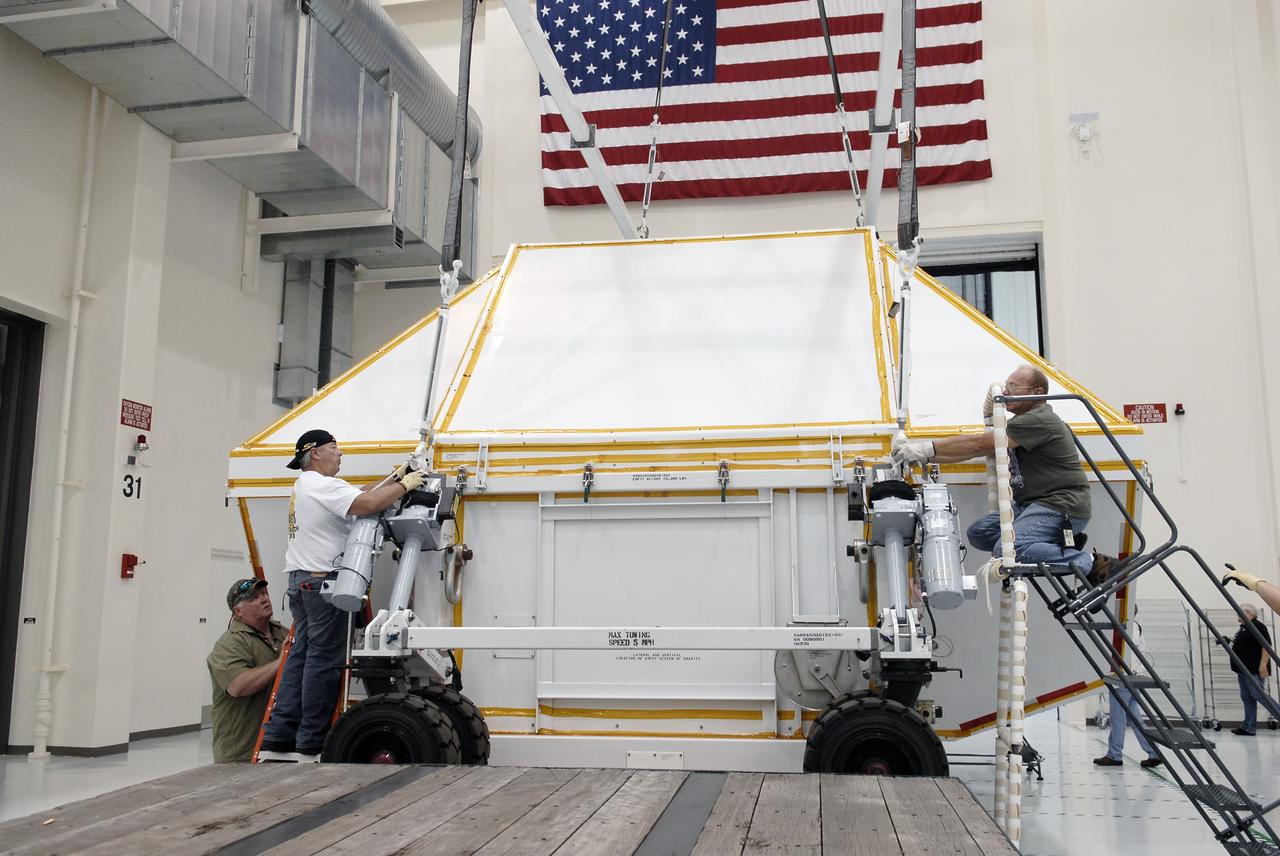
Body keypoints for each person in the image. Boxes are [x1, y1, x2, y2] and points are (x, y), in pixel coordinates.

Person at [260, 429, 425, 756]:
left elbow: (359, 494)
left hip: (300, 580)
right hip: (322, 582)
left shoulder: (306, 485)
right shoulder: (321, 485)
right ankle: (311, 739)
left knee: (301, 656)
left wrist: (396, 476)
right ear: (316, 453)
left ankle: (279, 734)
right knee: (323, 659)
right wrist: (407, 486)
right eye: (334, 448)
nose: (340, 454)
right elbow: (366, 503)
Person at [892, 364, 1095, 576]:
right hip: (1034, 505)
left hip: (1061, 506)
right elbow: (976, 450)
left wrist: (925, 448)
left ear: (1037, 393)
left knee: (1008, 550)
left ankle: (1086, 561)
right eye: (1007, 385)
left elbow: (978, 445)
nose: (1006, 392)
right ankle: (1050, 546)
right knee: (980, 533)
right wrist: (923, 456)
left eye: (1014, 386)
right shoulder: (1023, 422)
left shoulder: (1038, 419)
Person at [207, 578, 288, 763]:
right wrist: (281, 662)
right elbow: (237, 686)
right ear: (238, 612)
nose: (264, 599)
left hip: (277, 748)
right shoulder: (229, 644)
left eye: (263, 594)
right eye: (253, 598)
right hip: (241, 755)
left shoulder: (281, 633)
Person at [1093, 612, 1162, 769]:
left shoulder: (1128, 627)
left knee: (1118, 717)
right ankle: (1154, 752)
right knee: (1135, 719)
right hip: (1132, 678)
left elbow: (1123, 652)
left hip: (1124, 679)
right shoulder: (1135, 627)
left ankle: (1114, 755)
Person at [1228, 603, 1272, 736]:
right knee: (1247, 698)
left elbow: (1266, 645)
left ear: (1248, 613)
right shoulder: (1244, 628)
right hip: (1243, 669)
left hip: (1253, 669)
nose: (1238, 617)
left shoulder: (1257, 626)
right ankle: (1248, 727)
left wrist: (1263, 665)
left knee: (1260, 696)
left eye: (1239, 614)